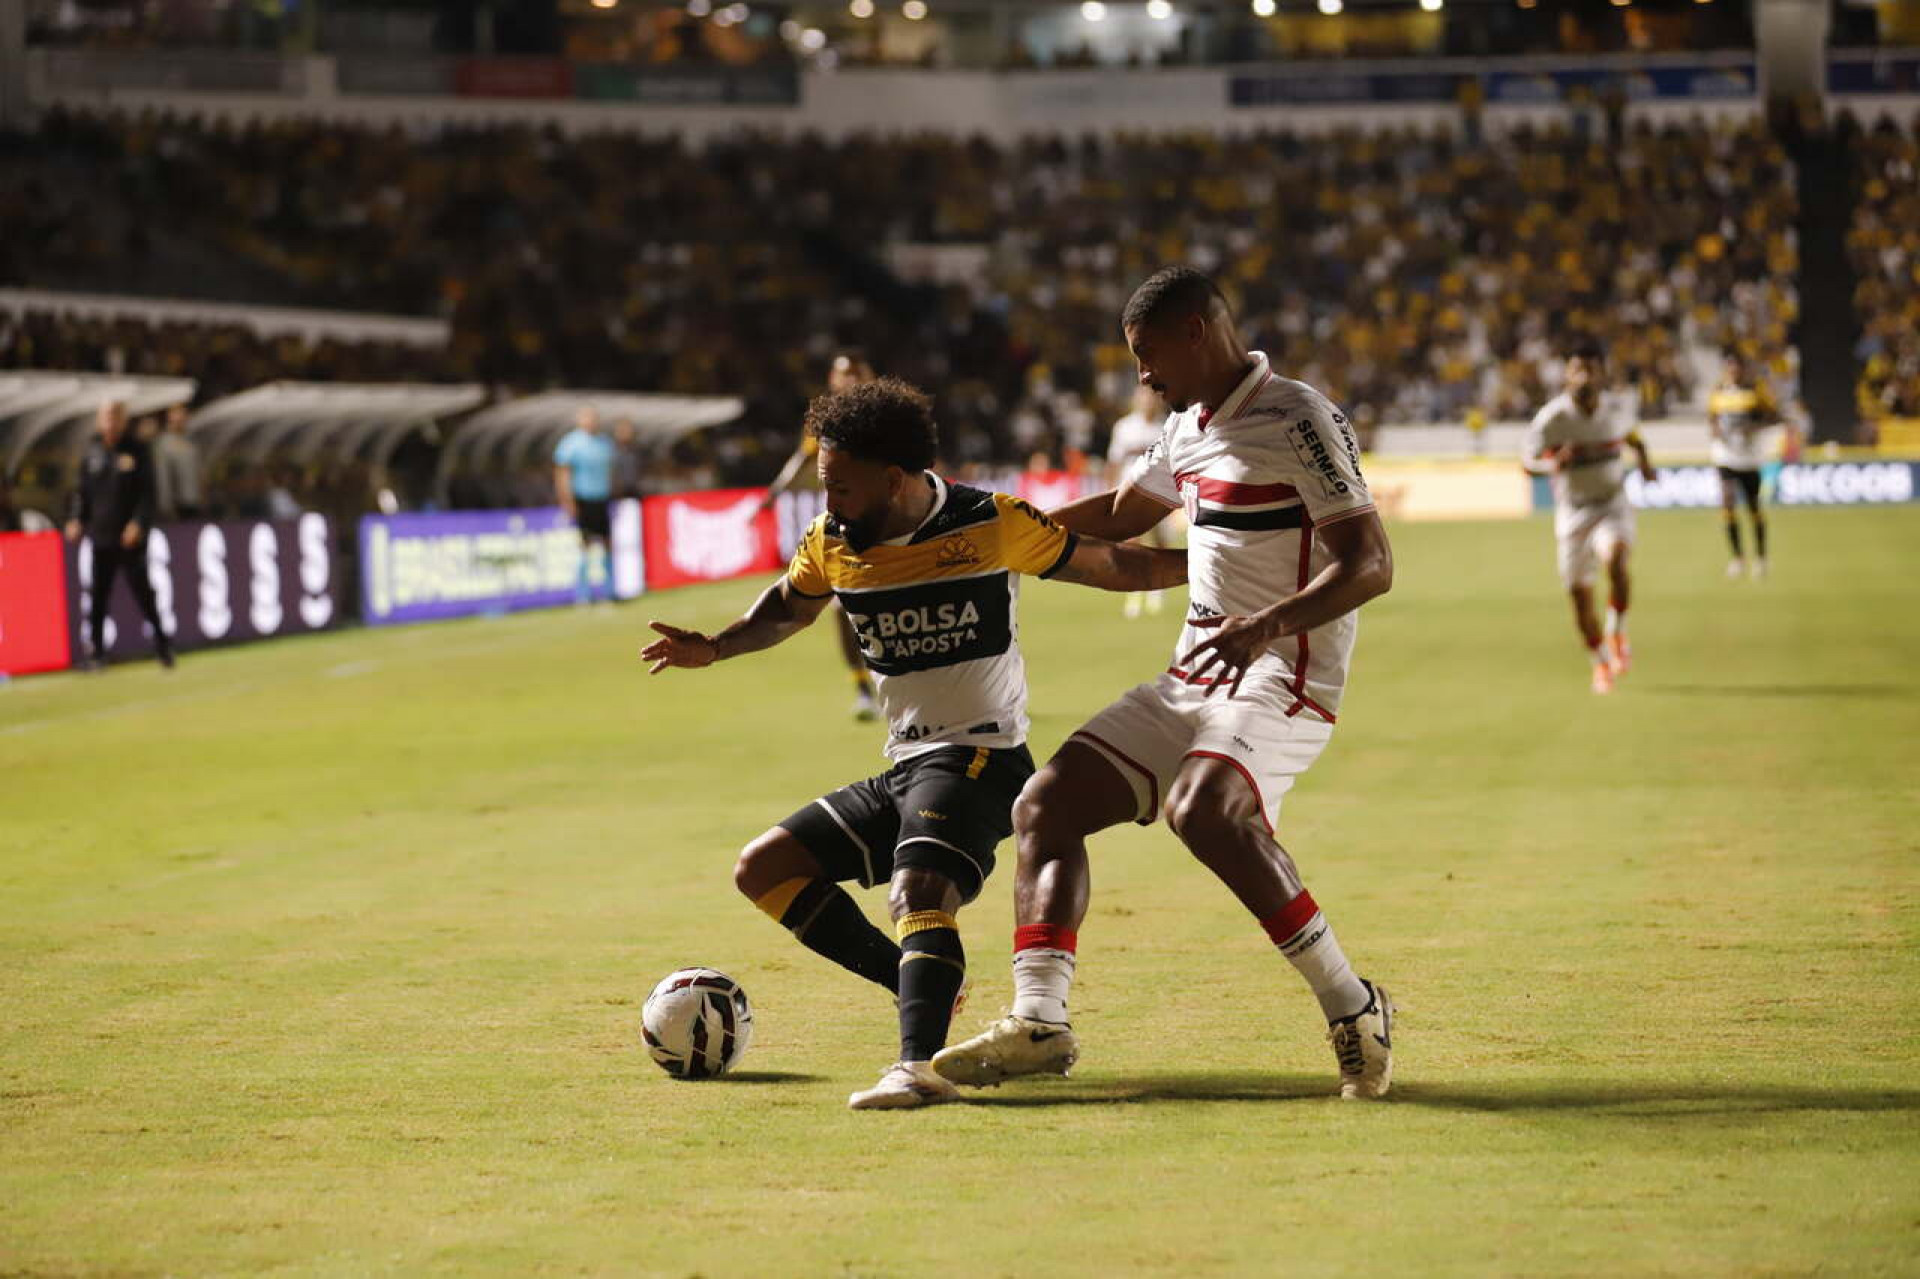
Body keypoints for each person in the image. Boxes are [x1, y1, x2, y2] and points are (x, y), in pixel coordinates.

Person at [642, 378, 1186, 1110]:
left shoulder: (987, 521)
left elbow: (1118, 565)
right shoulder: (833, 542)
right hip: (907, 767)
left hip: (983, 757)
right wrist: (716, 646)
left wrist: (1217, 567)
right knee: (764, 867)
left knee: (919, 893)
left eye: (838, 484)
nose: (827, 500)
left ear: (893, 480)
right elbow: (786, 608)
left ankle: (916, 1066)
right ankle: (922, 979)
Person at [934, 267, 1398, 1101]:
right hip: (1196, 671)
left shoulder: (1299, 417)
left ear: (1196, 331)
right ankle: (1040, 1022)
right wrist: (986, 533)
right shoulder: (1188, 426)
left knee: (1201, 807)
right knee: (1045, 804)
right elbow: (1119, 514)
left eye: (1148, 355)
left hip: (1283, 671)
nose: (1142, 376)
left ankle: (1353, 1005)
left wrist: (1265, 626)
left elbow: (1372, 565)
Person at [1521, 342, 1656, 694]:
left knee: (1617, 559)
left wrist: (1645, 463)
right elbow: (1527, 463)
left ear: (1601, 374)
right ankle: (1599, 663)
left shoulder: (1616, 408)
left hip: (1612, 504)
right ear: (1567, 375)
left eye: (1590, 369)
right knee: (1580, 599)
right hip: (1574, 512)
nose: (1583, 376)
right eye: (1576, 368)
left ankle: (1617, 629)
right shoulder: (1553, 418)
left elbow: (1635, 439)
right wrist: (1552, 464)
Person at [759, 350, 884, 720]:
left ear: (866, 377)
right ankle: (863, 688)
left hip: (886, 518)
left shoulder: (882, 412)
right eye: (840, 374)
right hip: (845, 522)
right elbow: (804, 456)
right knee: (840, 607)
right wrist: (775, 491)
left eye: (853, 373)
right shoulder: (826, 417)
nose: (845, 380)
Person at [65, 400, 175, 670]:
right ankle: (97, 653)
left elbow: (148, 493)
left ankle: (163, 646)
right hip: (100, 537)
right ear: (99, 420)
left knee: (143, 593)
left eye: (115, 416)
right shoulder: (91, 451)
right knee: (98, 596)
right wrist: (76, 520)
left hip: (129, 538)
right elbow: (81, 493)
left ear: (124, 420)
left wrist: (138, 523)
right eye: (106, 416)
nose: (111, 422)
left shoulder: (137, 450)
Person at [1105, 383, 1174, 620]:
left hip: (1159, 494)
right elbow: (1114, 462)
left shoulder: (1166, 425)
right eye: (1143, 397)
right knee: (1132, 545)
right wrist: (1111, 491)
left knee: (1160, 543)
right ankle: (1134, 592)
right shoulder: (1123, 428)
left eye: (1151, 397)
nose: (1147, 401)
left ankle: (1158, 589)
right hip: (1130, 494)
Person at [1707, 353, 1778, 580]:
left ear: (1743, 370)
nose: (1733, 372)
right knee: (1727, 503)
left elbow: (1773, 416)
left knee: (1753, 508)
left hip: (1749, 459)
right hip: (1725, 457)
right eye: (1730, 368)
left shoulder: (1755, 393)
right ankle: (1737, 558)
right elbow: (1712, 419)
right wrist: (1715, 431)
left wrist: (1753, 427)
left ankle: (1761, 557)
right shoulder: (1718, 393)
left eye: (1737, 368)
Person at [553, 406, 616, 605]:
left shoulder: (605, 443)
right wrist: (567, 500)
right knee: (585, 546)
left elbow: (611, 472)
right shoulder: (571, 444)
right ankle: (583, 594)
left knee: (607, 545)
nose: (590, 422)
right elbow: (562, 474)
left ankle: (609, 591)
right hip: (583, 499)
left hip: (602, 499)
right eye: (586, 418)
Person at [153, 403, 203, 522]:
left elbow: (198, 472)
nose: (181, 417)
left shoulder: (191, 442)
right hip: (178, 505)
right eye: (177, 413)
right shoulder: (164, 443)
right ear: (169, 416)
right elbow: (163, 477)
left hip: (194, 502)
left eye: (184, 413)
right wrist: (167, 506)